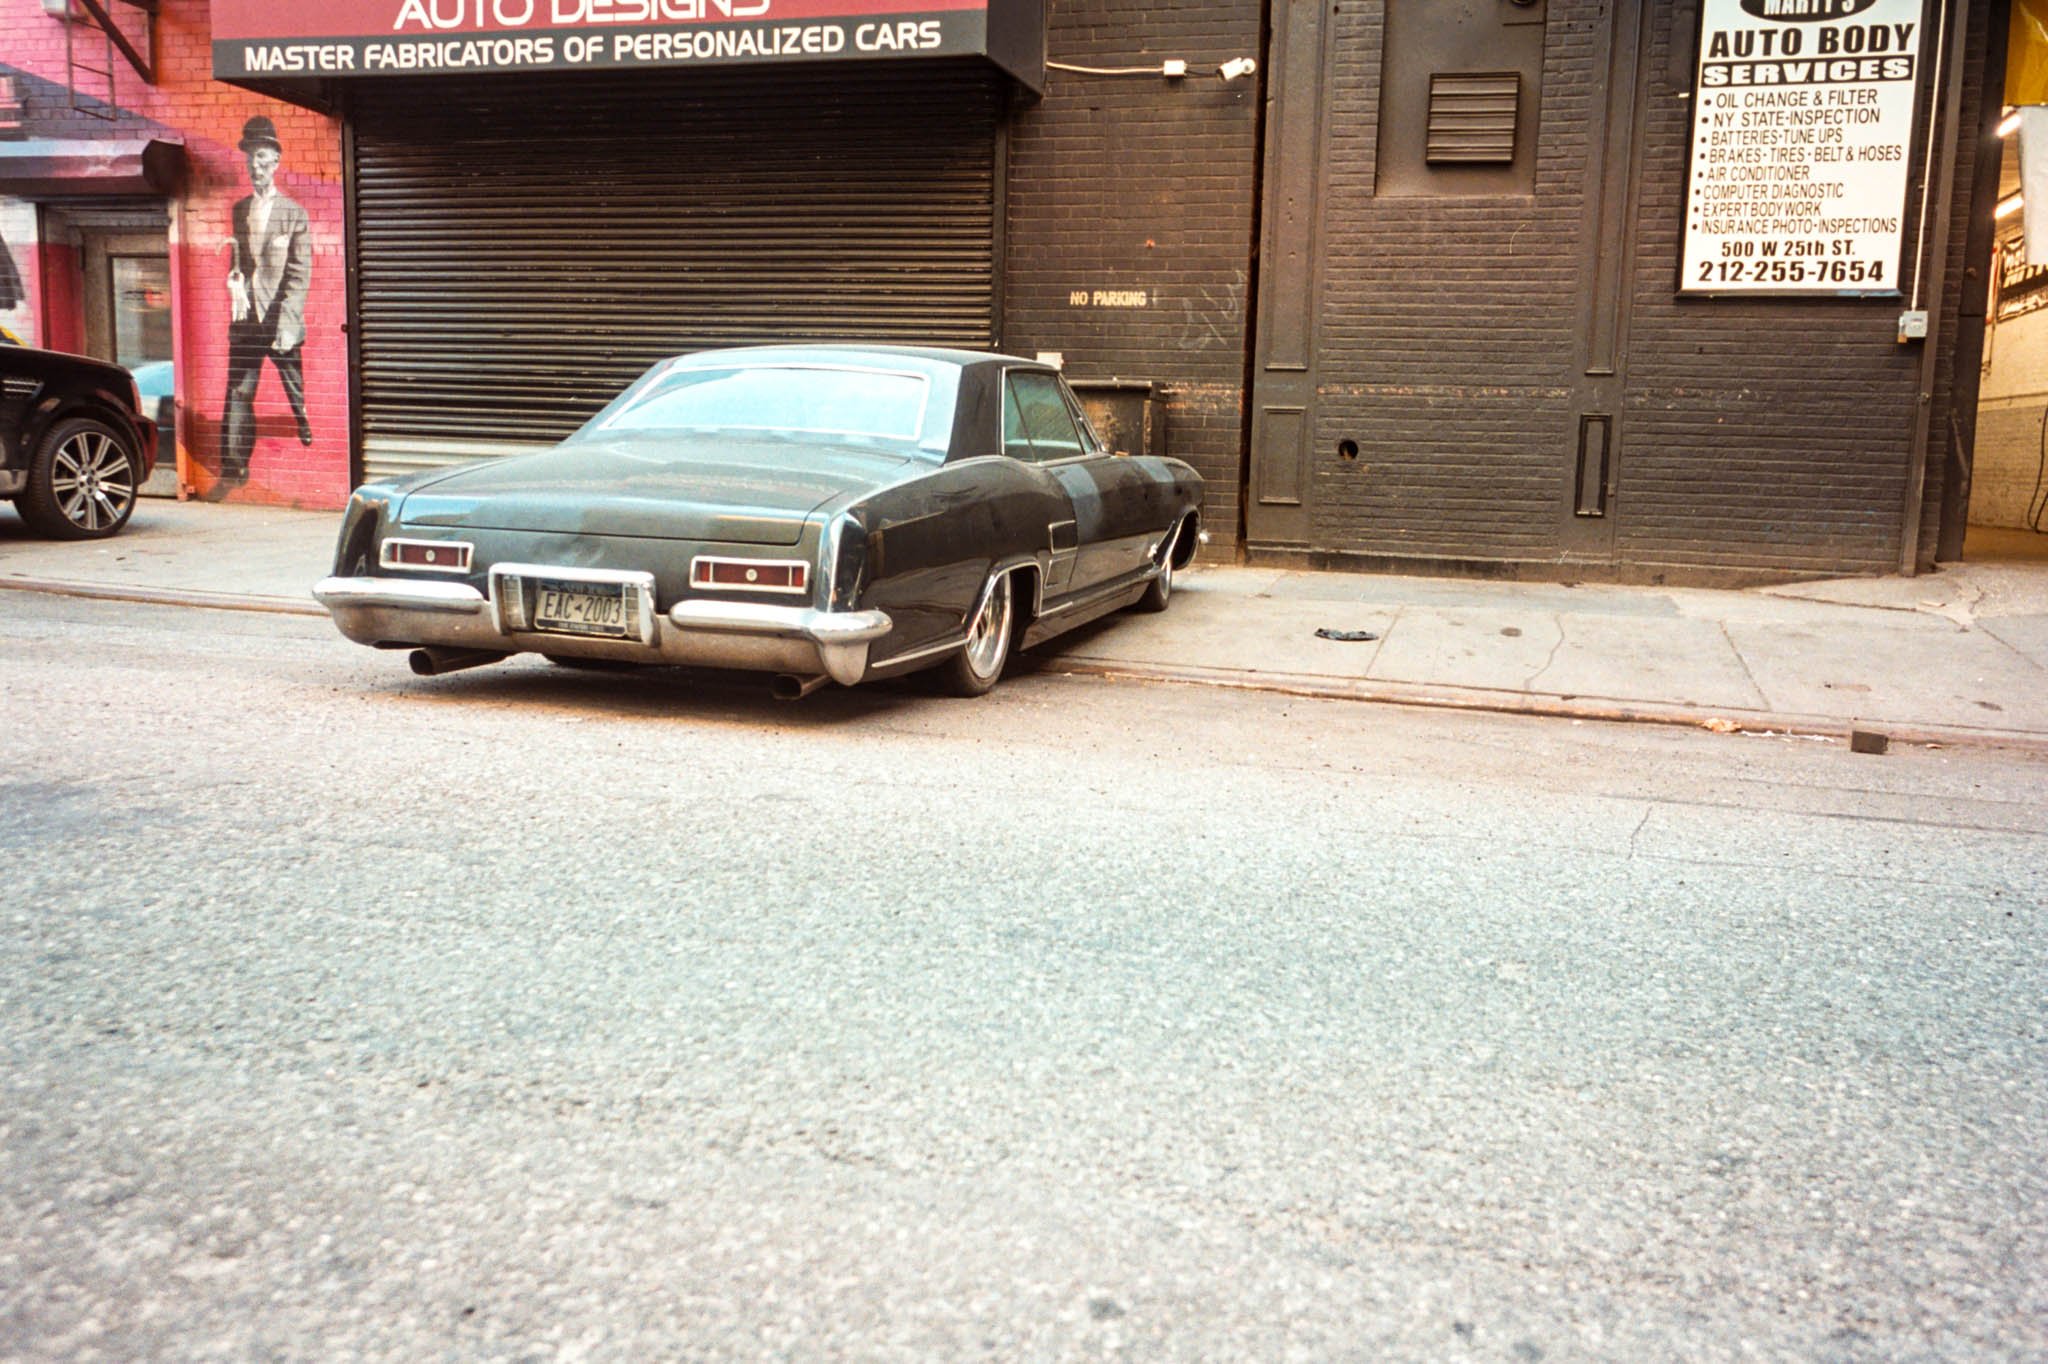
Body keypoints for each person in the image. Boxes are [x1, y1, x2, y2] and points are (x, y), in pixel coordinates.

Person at [220, 115, 311, 483]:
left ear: (275, 160)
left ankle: (302, 418)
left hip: (278, 313)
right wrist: (235, 279)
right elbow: (241, 260)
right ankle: (235, 463)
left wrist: (287, 323)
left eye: (260, 157)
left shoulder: (294, 213)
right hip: (247, 316)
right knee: (240, 391)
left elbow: (299, 273)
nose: (254, 166)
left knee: (293, 384)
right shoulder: (239, 210)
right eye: (249, 158)